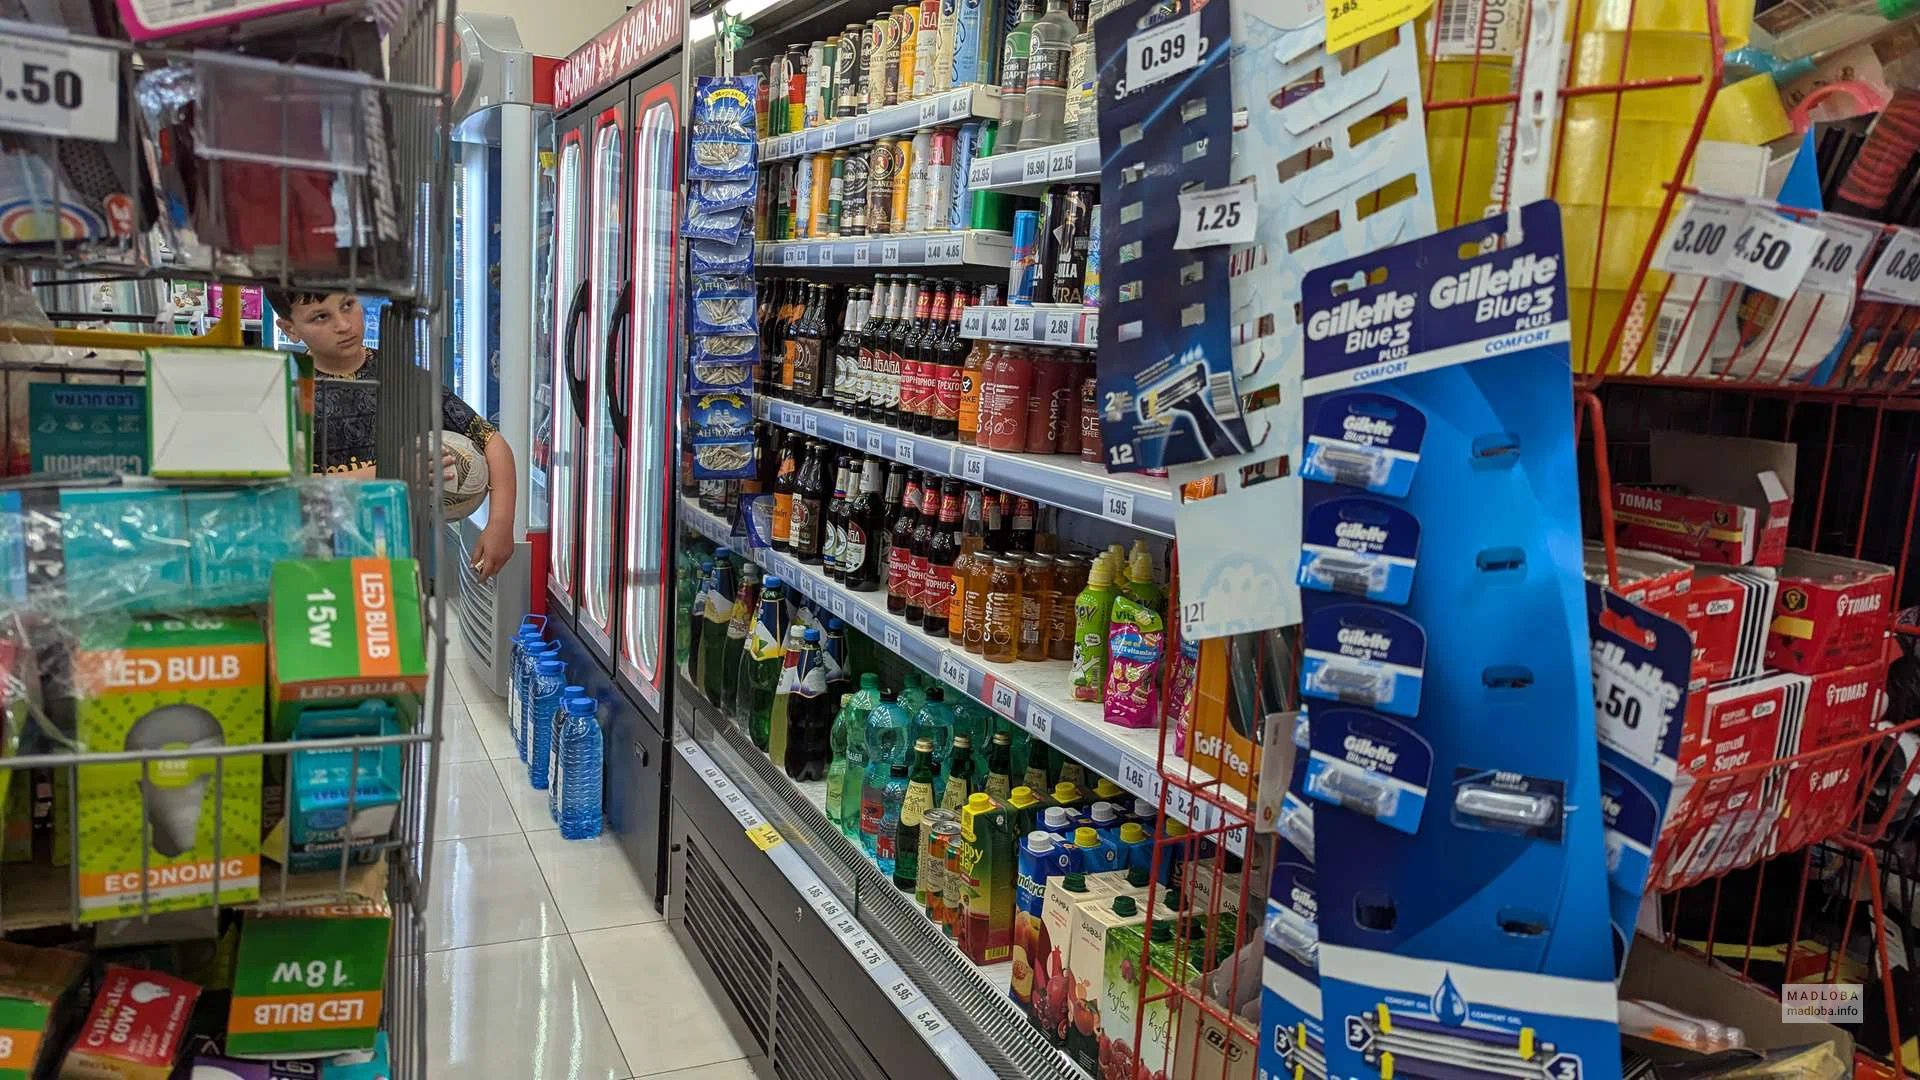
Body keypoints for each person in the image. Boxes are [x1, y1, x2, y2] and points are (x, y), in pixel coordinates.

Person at [267, 290, 517, 580]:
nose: (344, 325)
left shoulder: (407, 379)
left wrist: (500, 524)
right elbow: (280, 488)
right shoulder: (284, 389)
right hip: (309, 559)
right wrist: (393, 472)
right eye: (321, 317)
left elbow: (491, 440)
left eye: (347, 305)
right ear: (290, 329)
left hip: (396, 557)